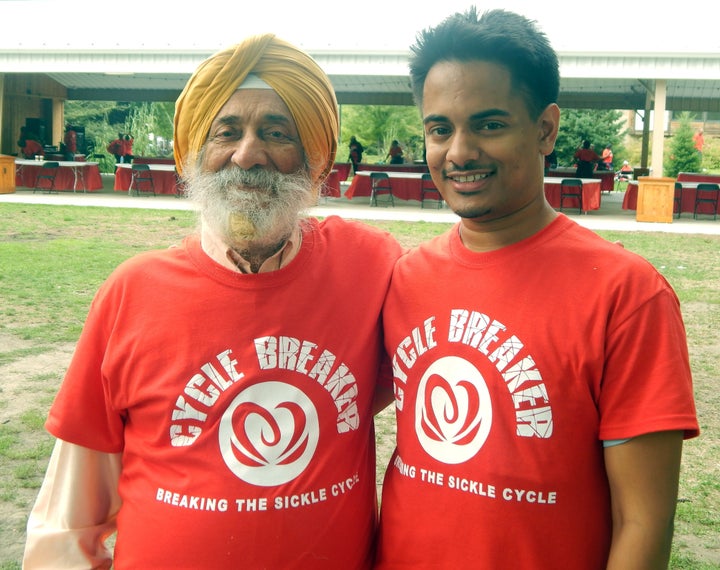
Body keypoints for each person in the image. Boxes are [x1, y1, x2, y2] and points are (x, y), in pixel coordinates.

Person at [23, 33, 403, 569]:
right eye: (227, 131)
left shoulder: (373, 268)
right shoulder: (132, 292)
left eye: (277, 132)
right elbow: (68, 518)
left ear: (317, 161)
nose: (248, 155)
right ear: (193, 154)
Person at [375, 8, 699, 569]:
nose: (459, 152)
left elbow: (643, 521)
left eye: (490, 124)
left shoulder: (626, 295)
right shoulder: (404, 278)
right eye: (440, 128)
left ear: (545, 128)